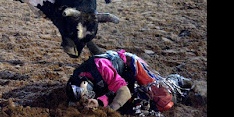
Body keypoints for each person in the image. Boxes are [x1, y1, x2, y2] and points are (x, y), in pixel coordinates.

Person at [66, 50, 195, 115]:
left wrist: (109, 111)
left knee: (162, 98)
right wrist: (99, 102)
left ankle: (176, 80)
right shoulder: (78, 80)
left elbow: (124, 93)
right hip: (115, 81)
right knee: (132, 107)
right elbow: (109, 93)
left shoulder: (100, 67)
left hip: (130, 66)